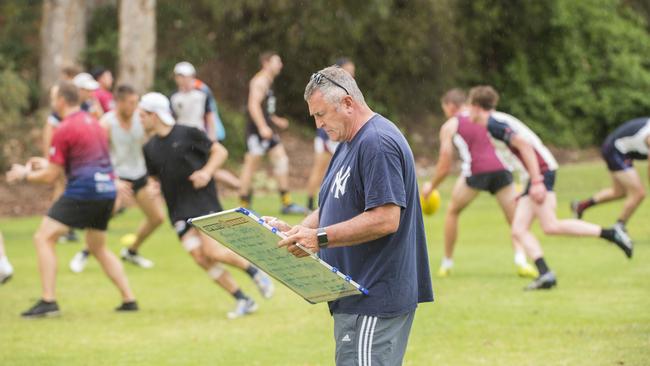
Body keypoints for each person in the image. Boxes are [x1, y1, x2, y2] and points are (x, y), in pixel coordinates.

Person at [266, 66, 433, 365]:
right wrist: (297, 231)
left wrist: (318, 238)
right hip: (354, 300)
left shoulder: (376, 143)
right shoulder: (348, 144)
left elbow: (386, 217)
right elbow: (334, 205)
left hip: (374, 298)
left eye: (321, 115)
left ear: (347, 103)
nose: (318, 124)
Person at [467, 85, 633, 290]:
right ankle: (545, 274)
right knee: (519, 229)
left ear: (476, 106)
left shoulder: (494, 124)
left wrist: (536, 181)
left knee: (551, 225)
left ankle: (611, 234)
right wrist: (528, 185)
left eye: (469, 106)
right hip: (536, 174)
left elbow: (525, 147)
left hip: (542, 172)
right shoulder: (496, 122)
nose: (467, 112)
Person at [6, 81, 137, 317]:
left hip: (83, 192)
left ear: (62, 101)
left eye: (54, 98)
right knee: (98, 247)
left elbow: (51, 177)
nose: (52, 103)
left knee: (43, 237)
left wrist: (25, 174)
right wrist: (45, 163)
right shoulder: (95, 124)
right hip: (106, 191)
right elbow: (80, 162)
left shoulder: (64, 128)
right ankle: (129, 299)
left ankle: (48, 301)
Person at [139, 92, 274, 319]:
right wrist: (154, 187)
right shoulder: (149, 148)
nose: (139, 120)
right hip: (177, 210)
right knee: (201, 258)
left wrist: (206, 172)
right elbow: (154, 177)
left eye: (142, 115)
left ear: (154, 115)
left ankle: (255, 271)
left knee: (212, 250)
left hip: (202, 201)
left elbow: (220, 152)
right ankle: (243, 299)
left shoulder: (187, 133)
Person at [421, 89, 537, 278]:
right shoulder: (488, 114)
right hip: (502, 170)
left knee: (453, 211)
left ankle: (447, 264)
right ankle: (521, 261)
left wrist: (431, 187)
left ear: (450, 106)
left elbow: (445, 164)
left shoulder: (451, 124)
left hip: (476, 171)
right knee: (515, 220)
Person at [69, 85, 164, 272]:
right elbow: (98, 156)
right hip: (118, 179)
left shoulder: (141, 119)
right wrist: (112, 180)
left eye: (137, 102)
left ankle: (132, 251)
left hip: (139, 176)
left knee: (157, 218)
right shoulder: (107, 123)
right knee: (102, 218)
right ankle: (84, 253)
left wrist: (155, 177)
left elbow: (154, 144)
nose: (135, 107)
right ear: (119, 103)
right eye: (131, 103)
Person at [239, 52, 307, 215]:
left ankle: (287, 203)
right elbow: (253, 105)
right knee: (251, 165)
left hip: (268, 131)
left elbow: (265, 109)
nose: (280, 65)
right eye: (277, 61)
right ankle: (243, 204)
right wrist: (262, 127)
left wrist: (275, 120)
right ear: (265, 63)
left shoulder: (269, 82)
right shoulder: (260, 81)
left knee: (281, 160)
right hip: (257, 132)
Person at [170, 61, 240, 189]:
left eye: (186, 76)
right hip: (182, 139)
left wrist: (212, 136)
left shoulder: (202, 93)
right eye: (180, 76)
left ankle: (240, 186)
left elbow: (210, 115)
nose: (183, 80)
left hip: (200, 137)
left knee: (210, 169)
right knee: (198, 170)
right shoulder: (174, 97)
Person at [571, 117, 649, 229]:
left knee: (619, 192)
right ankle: (618, 228)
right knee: (638, 193)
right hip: (614, 150)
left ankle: (580, 206)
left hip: (622, 150)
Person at [305, 58, 354, 211]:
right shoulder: (330, 90)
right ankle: (310, 204)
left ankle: (329, 205)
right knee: (320, 170)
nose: (351, 74)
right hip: (326, 139)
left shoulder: (348, 90)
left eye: (353, 71)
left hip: (335, 140)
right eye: (348, 71)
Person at [43, 66, 81, 243]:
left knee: (65, 189)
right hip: (60, 155)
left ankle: (65, 228)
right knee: (60, 188)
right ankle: (58, 227)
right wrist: (47, 157)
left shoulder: (74, 103)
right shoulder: (59, 111)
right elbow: (49, 132)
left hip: (69, 156)